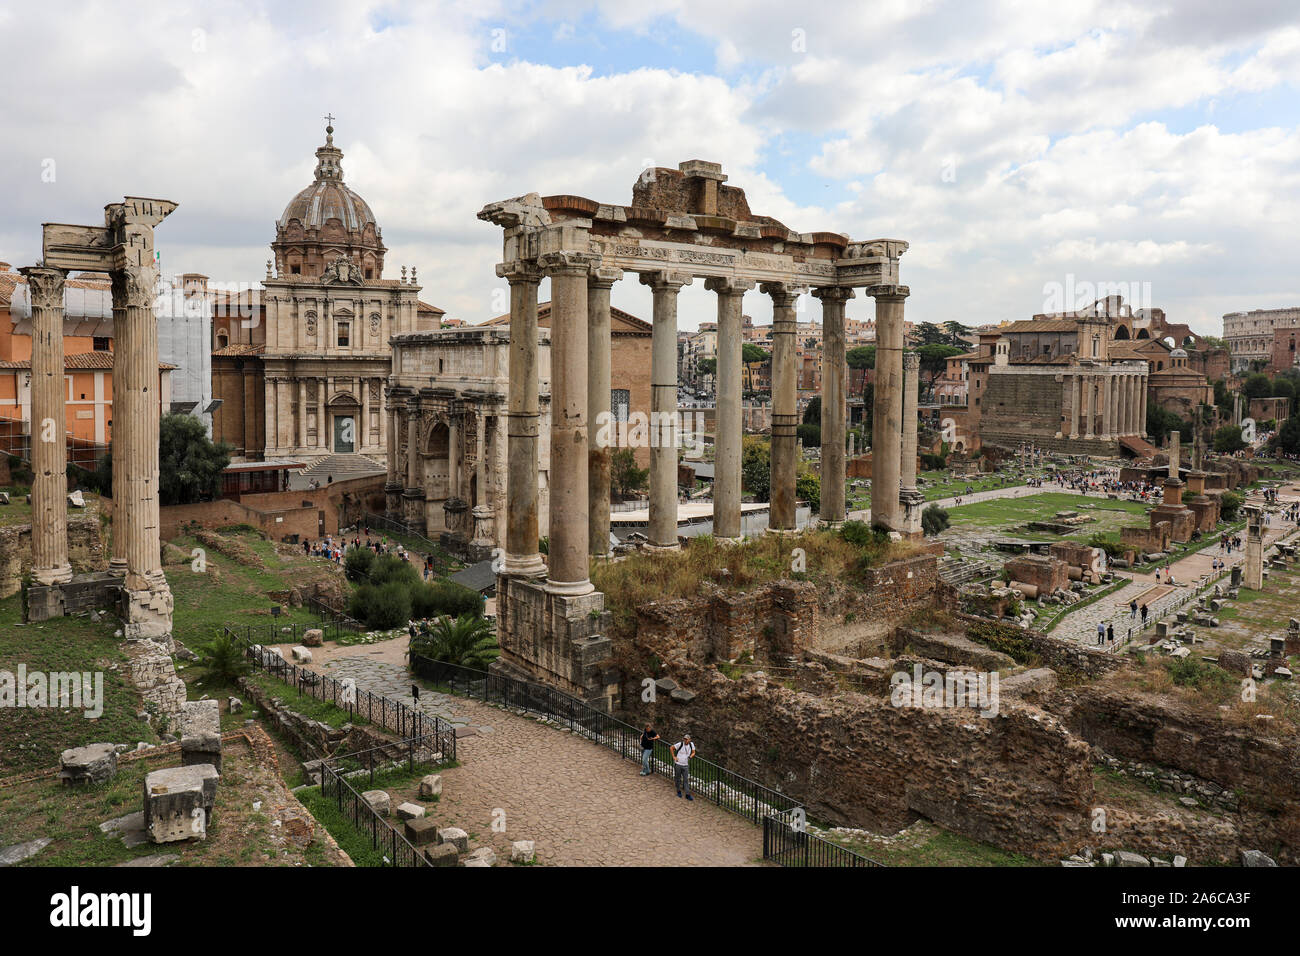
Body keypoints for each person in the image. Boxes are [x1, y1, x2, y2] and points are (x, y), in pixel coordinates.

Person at [671, 733, 696, 800]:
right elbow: (671, 748)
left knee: (686, 779)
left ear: (689, 740)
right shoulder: (680, 744)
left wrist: (691, 756)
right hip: (678, 764)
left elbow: (693, 752)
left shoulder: (691, 745)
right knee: (678, 778)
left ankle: (687, 794)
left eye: (686, 739)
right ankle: (678, 791)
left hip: (685, 765)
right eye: (684, 739)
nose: (685, 740)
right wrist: (674, 757)